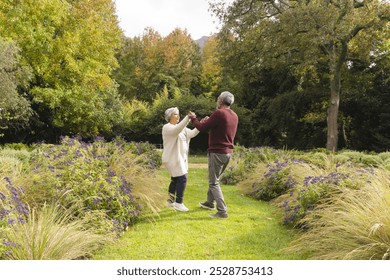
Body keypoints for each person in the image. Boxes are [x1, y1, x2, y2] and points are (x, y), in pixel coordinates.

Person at [188, 91, 238, 218]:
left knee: (213, 182)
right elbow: (219, 129)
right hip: (228, 153)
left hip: (217, 152)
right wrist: (208, 121)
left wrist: (194, 118)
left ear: (220, 101)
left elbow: (201, 128)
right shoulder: (234, 115)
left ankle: (222, 211)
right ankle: (209, 202)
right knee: (215, 179)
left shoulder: (219, 113)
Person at [162, 107, 199, 212]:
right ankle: (179, 203)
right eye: (175, 114)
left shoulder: (182, 128)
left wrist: (201, 124)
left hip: (180, 159)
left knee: (175, 179)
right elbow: (176, 130)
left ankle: (170, 201)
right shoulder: (167, 127)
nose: (177, 116)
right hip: (172, 158)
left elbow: (191, 134)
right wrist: (188, 118)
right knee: (183, 178)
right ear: (169, 117)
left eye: (178, 114)